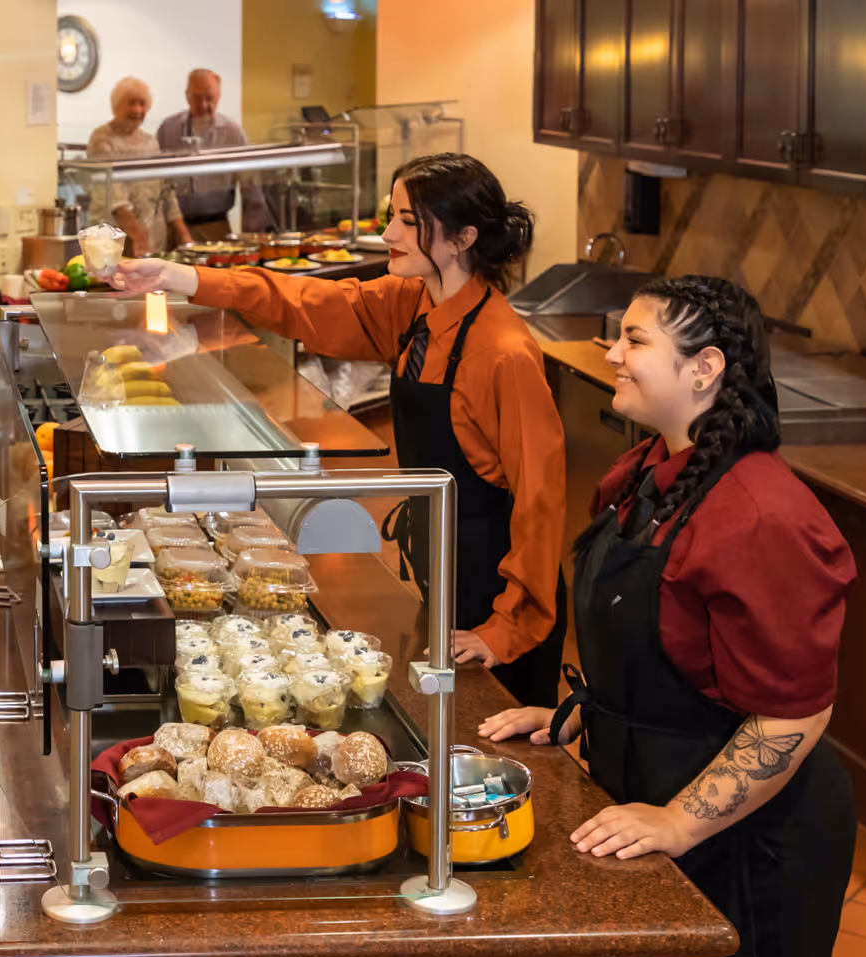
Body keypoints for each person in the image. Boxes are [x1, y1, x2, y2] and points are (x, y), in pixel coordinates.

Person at [480, 276, 858, 957]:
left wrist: (682, 820)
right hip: (649, 797)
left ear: (705, 368)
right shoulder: (648, 474)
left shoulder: (761, 515)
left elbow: (795, 715)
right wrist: (576, 715)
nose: (612, 354)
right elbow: (666, 648)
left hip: (748, 847)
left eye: (636, 341)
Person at [114, 152, 568, 706]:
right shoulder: (413, 304)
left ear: (461, 238)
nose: (387, 233)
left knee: (494, 734)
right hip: (438, 557)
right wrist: (180, 276)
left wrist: (508, 628)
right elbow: (308, 302)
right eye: (392, 215)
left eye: (406, 221)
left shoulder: (503, 351)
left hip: (498, 586)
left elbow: (541, 500)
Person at [155, 68, 273, 239]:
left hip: (216, 228)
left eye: (210, 98)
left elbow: (251, 190)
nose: (203, 105)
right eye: (197, 97)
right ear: (187, 95)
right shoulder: (168, 129)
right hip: (175, 229)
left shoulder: (233, 132)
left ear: (219, 96)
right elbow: (159, 183)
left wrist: (252, 238)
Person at [87, 76, 192, 255]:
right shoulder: (102, 139)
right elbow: (116, 199)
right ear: (116, 106)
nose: (137, 109)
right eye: (131, 103)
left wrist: (185, 237)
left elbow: (166, 191)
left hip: (153, 238)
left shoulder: (150, 141)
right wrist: (139, 238)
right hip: (116, 239)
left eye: (142, 104)